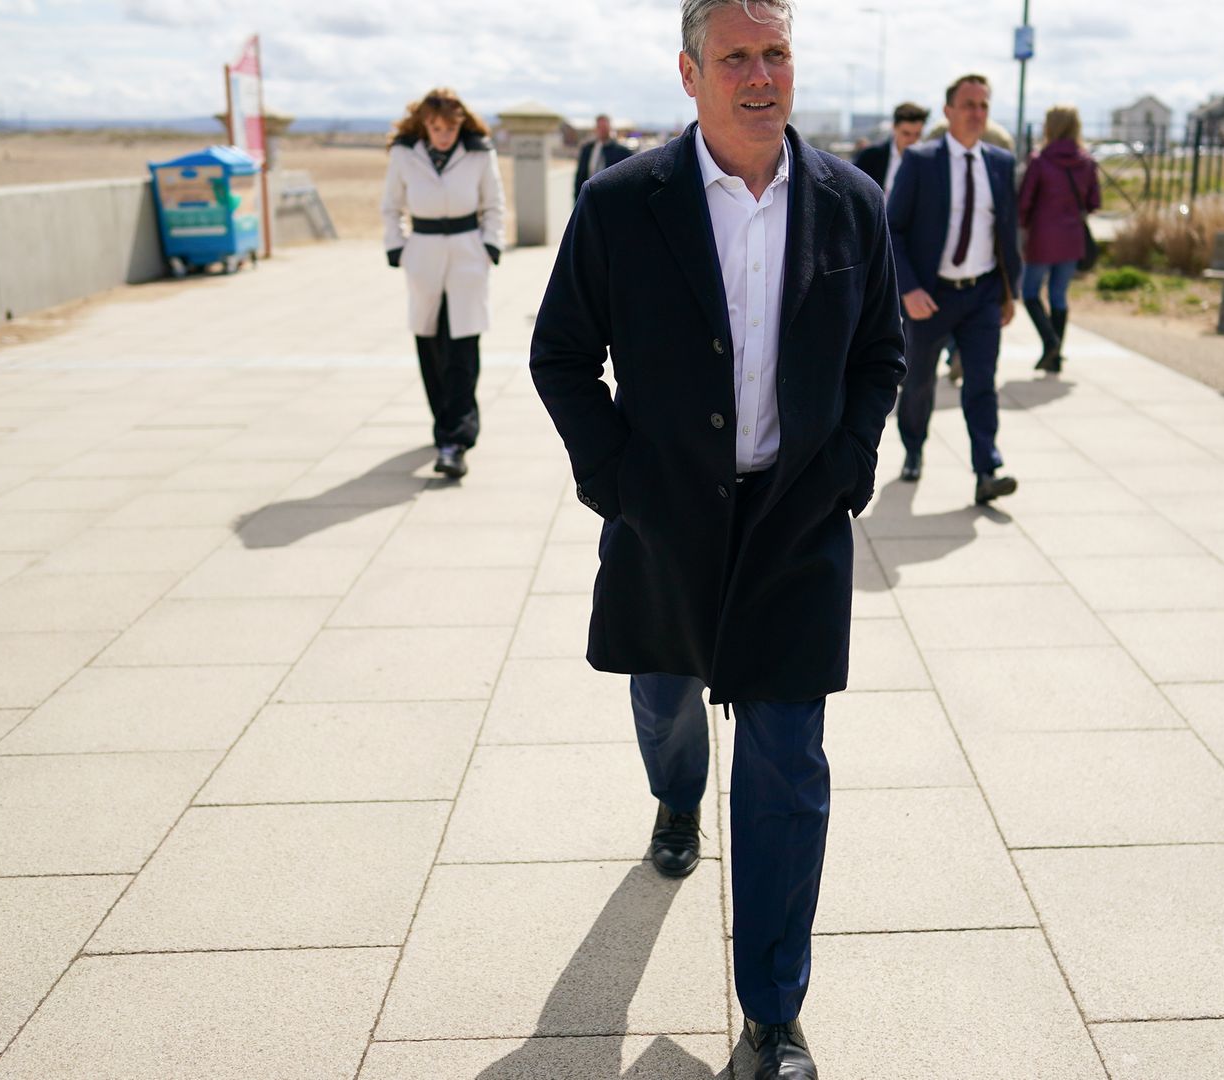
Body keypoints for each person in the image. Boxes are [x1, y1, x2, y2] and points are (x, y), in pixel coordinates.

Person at [529, 0, 905, 1075]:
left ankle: (773, 1014)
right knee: (663, 691)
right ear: (689, 74)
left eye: (776, 52)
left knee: (788, 759)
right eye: (735, 56)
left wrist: (847, 464)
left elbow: (881, 348)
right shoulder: (620, 204)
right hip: (666, 517)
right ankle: (677, 795)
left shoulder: (851, 202)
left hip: (795, 522)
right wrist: (617, 483)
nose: (759, 74)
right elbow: (561, 357)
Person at [887, 73, 1022, 503]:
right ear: (948, 112)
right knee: (920, 381)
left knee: (981, 381)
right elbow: (893, 229)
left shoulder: (1000, 163)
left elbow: (1006, 232)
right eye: (968, 105)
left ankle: (988, 468)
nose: (977, 113)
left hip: (981, 293)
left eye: (983, 105)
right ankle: (913, 449)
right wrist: (908, 289)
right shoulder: (921, 161)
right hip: (931, 295)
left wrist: (1009, 291)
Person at [381, 87, 507, 479]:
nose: (443, 135)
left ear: (460, 124)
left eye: (449, 128)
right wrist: (397, 248)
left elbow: (494, 204)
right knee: (431, 346)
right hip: (423, 257)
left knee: (462, 349)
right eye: (435, 128)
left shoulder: (479, 152)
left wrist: (489, 246)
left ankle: (456, 440)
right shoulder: (404, 155)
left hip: (468, 257)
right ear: (424, 125)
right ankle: (445, 427)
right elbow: (391, 206)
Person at [1016, 103, 1100, 375]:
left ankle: (1050, 342)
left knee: (1030, 293)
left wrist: (1024, 227)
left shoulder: (1040, 160)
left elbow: (1024, 201)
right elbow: (1094, 201)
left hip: (1042, 236)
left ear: (1049, 126)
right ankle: (1055, 355)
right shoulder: (1086, 161)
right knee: (1058, 295)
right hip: (1072, 236)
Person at [853, 101, 930, 199]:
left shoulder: (927, 161)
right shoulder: (870, 156)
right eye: (906, 133)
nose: (912, 140)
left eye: (917, 134)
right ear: (894, 127)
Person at [574, 113, 633, 196]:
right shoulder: (587, 149)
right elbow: (580, 176)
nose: (602, 130)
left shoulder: (622, 152)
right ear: (595, 129)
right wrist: (577, 200)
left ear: (610, 128)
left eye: (604, 127)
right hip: (589, 197)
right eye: (599, 127)